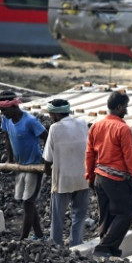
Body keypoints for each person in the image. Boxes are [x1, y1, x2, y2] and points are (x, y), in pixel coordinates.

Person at [85, 91, 132, 257]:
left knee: (107, 214)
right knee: (127, 211)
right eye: (125, 107)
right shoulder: (122, 128)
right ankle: (104, 247)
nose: (126, 110)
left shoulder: (96, 126)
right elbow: (130, 157)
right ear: (118, 107)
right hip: (116, 179)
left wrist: (89, 176)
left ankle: (110, 248)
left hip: (99, 177)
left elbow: (89, 154)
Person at [0, 90, 47, 240]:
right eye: (0, 111)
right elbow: (7, 137)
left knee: (28, 202)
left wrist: (46, 160)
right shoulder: (6, 119)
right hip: (20, 165)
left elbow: (47, 137)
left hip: (34, 165)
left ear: (13, 106)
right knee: (27, 202)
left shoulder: (30, 121)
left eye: (4, 110)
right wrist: (10, 159)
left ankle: (22, 238)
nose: (2, 113)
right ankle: (39, 235)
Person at [44, 99, 89, 247]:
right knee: (79, 216)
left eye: (51, 113)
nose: (50, 116)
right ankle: (76, 245)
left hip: (63, 180)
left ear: (56, 114)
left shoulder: (55, 128)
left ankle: (56, 246)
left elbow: (48, 158)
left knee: (57, 217)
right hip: (83, 178)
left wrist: (47, 171)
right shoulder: (82, 123)